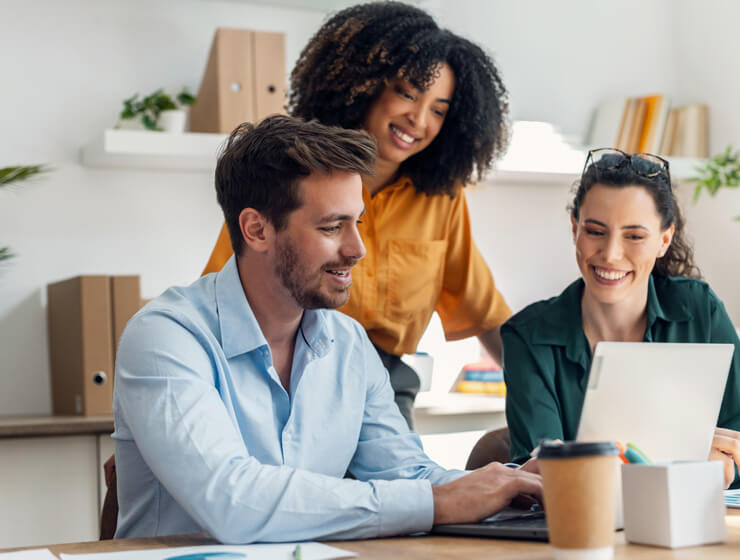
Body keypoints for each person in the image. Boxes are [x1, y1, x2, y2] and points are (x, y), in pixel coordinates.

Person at [112, 115, 541, 543]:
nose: (357, 249)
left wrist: (511, 486)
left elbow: (407, 473)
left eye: (358, 222)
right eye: (332, 227)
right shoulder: (165, 337)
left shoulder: (349, 343)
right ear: (256, 229)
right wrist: (435, 503)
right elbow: (232, 500)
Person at [202, 1, 512, 428]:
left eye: (438, 109)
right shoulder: (288, 173)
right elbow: (219, 300)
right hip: (281, 376)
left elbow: (484, 313)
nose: (418, 119)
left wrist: (555, 401)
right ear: (364, 85)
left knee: (408, 490)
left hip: (383, 387)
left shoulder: (443, 199)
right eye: (407, 93)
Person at [501, 148, 740, 488]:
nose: (610, 254)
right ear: (574, 228)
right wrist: (686, 459)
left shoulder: (698, 311)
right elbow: (540, 480)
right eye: (594, 231)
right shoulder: (527, 337)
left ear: (664, 240)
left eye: (634, 236)